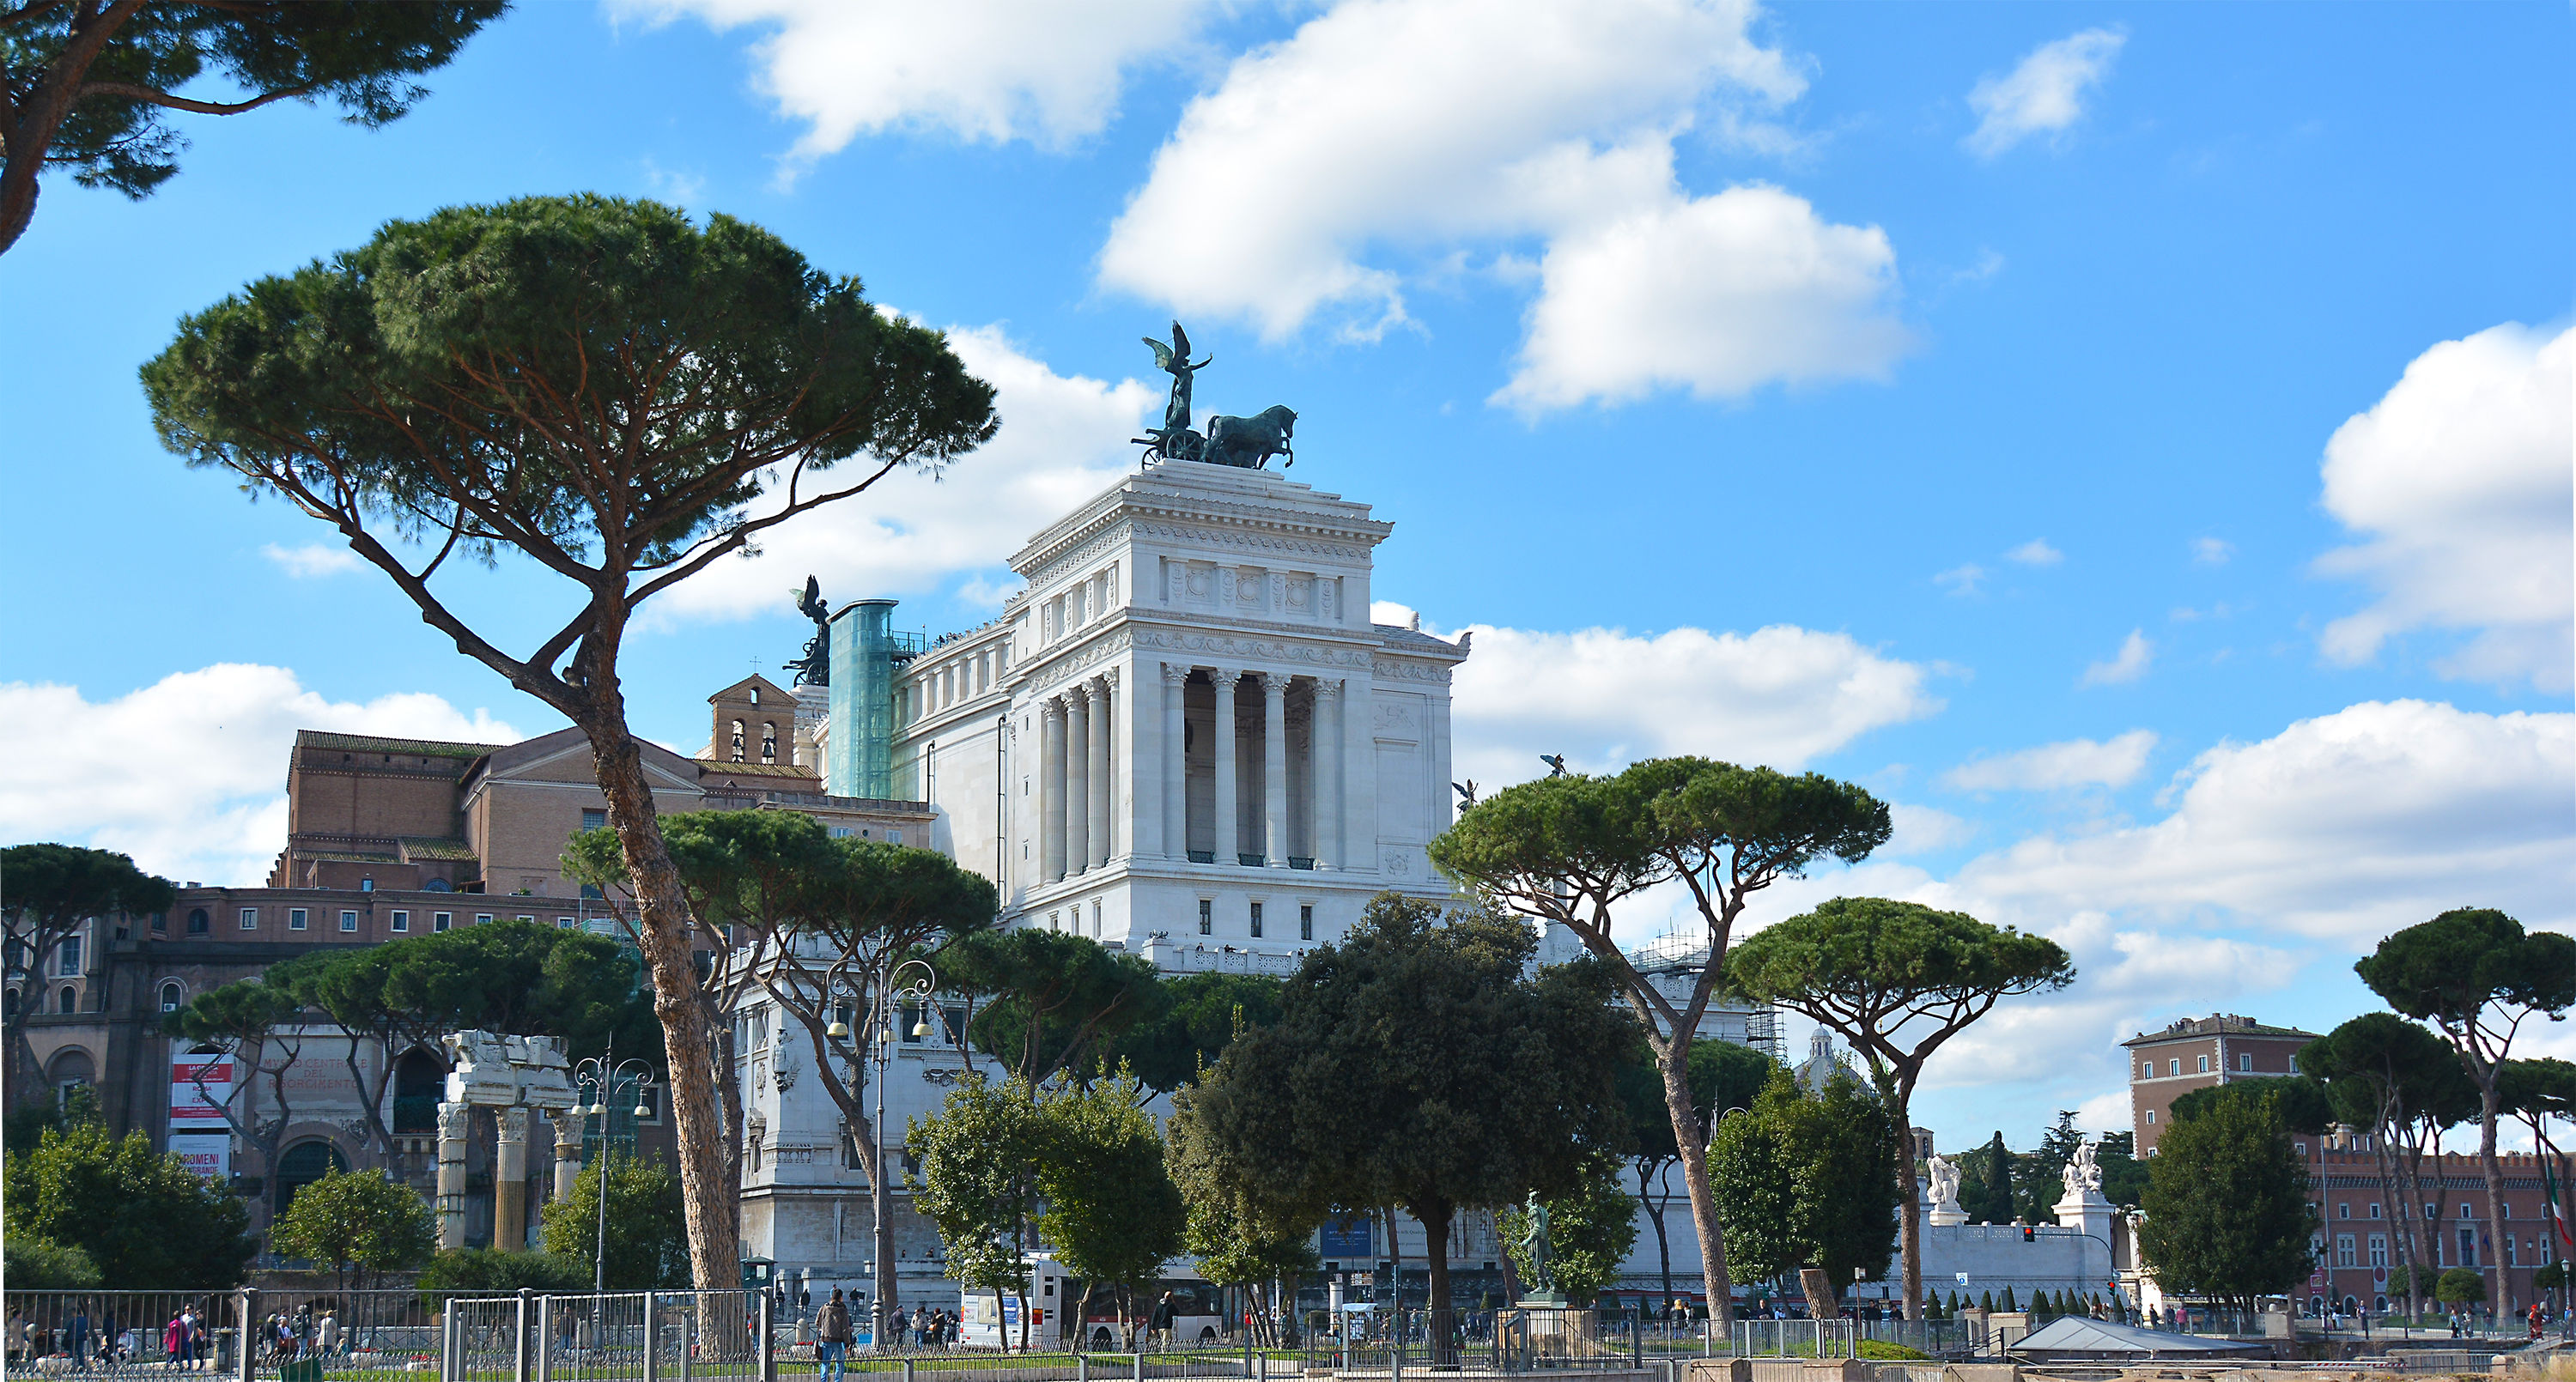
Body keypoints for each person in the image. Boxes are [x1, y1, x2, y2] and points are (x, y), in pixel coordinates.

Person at [816, 1289, 852, 1382]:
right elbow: (845, 1328)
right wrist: (847, 1344)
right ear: (841, 1297)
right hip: (838, 1340)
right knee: (840, 1363)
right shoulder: (843, 1309)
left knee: (825, 1362)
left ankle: (823, 1380)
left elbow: (817, 1322)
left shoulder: (824, 1307)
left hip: (826, 1339)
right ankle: (838, 1380)